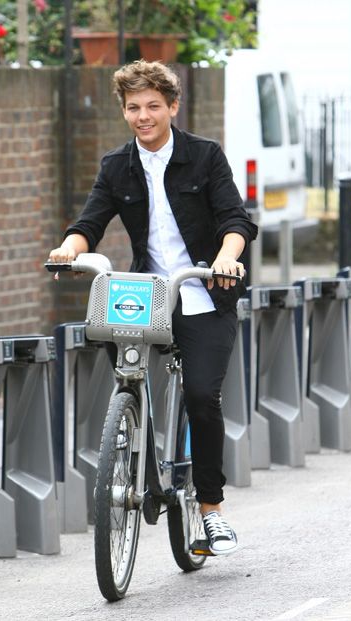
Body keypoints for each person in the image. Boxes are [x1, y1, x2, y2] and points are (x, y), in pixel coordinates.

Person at [48, 60, 257, 555]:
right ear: (124, 111)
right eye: (133, 107)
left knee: (202, 396)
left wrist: (226, 258)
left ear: (172, 106)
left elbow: (236, 220)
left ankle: (211, 510)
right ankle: (139, 457)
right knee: (127, 379)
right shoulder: (116, 166)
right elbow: (90, 222)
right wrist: (68, 249)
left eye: (153, 106)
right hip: (148, 299)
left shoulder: (204, 156)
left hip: (204, 292)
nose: (143, 116)